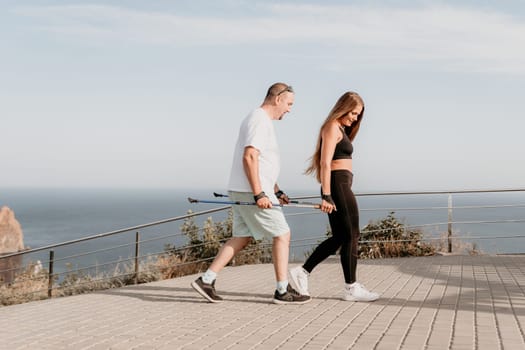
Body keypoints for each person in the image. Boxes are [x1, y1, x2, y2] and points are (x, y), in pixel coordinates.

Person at [191, 82, 311, 305]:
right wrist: (259, 194)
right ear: (277, 99)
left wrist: (277, 190)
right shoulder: (259, 120)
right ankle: (282, 291)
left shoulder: (258, 119)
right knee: (282, 235)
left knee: (242, 237)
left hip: (244, 189)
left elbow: (263, 164)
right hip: (251, 191)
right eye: (289, 103)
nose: (289, 109)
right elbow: (249, 157)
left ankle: (206, 280)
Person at [289, 91, 379, 302]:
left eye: (358, 115)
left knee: (341, 237)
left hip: (341, 184)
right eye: (354, 113)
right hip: (337, 186)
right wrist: (327, 195)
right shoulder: (331, 126)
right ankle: (351, 288)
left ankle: (303, 272)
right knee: (352, 234)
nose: (355, 118)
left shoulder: (340, 129)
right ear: (344, 107)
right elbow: (325, 163)